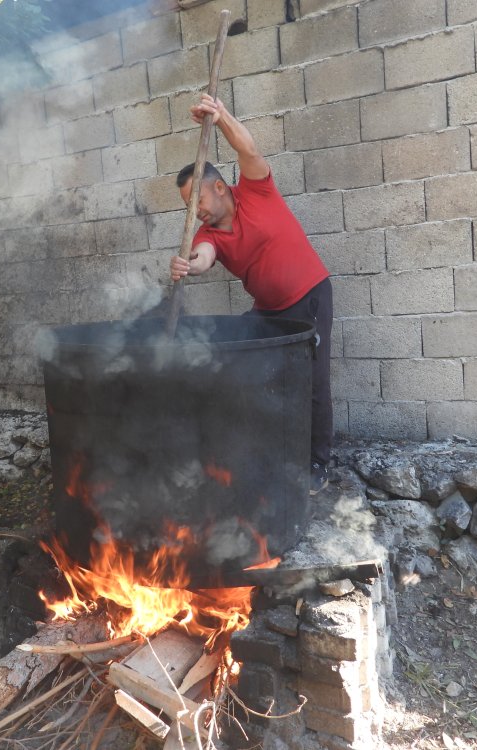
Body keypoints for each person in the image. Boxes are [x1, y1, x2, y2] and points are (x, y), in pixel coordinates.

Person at [169, 93, 333, 496]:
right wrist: (190, 263)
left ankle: (318, 464)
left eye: (198, 200)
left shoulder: (256, 191)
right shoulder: (208, 235)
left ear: (220, 188)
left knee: (311, 380)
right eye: (188, 208)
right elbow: (204, 256)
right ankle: (252, 451)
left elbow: (249, 148)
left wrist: (219, 114)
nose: (196, 212)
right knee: (232, 360)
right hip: (268, 310)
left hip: (310, 297)